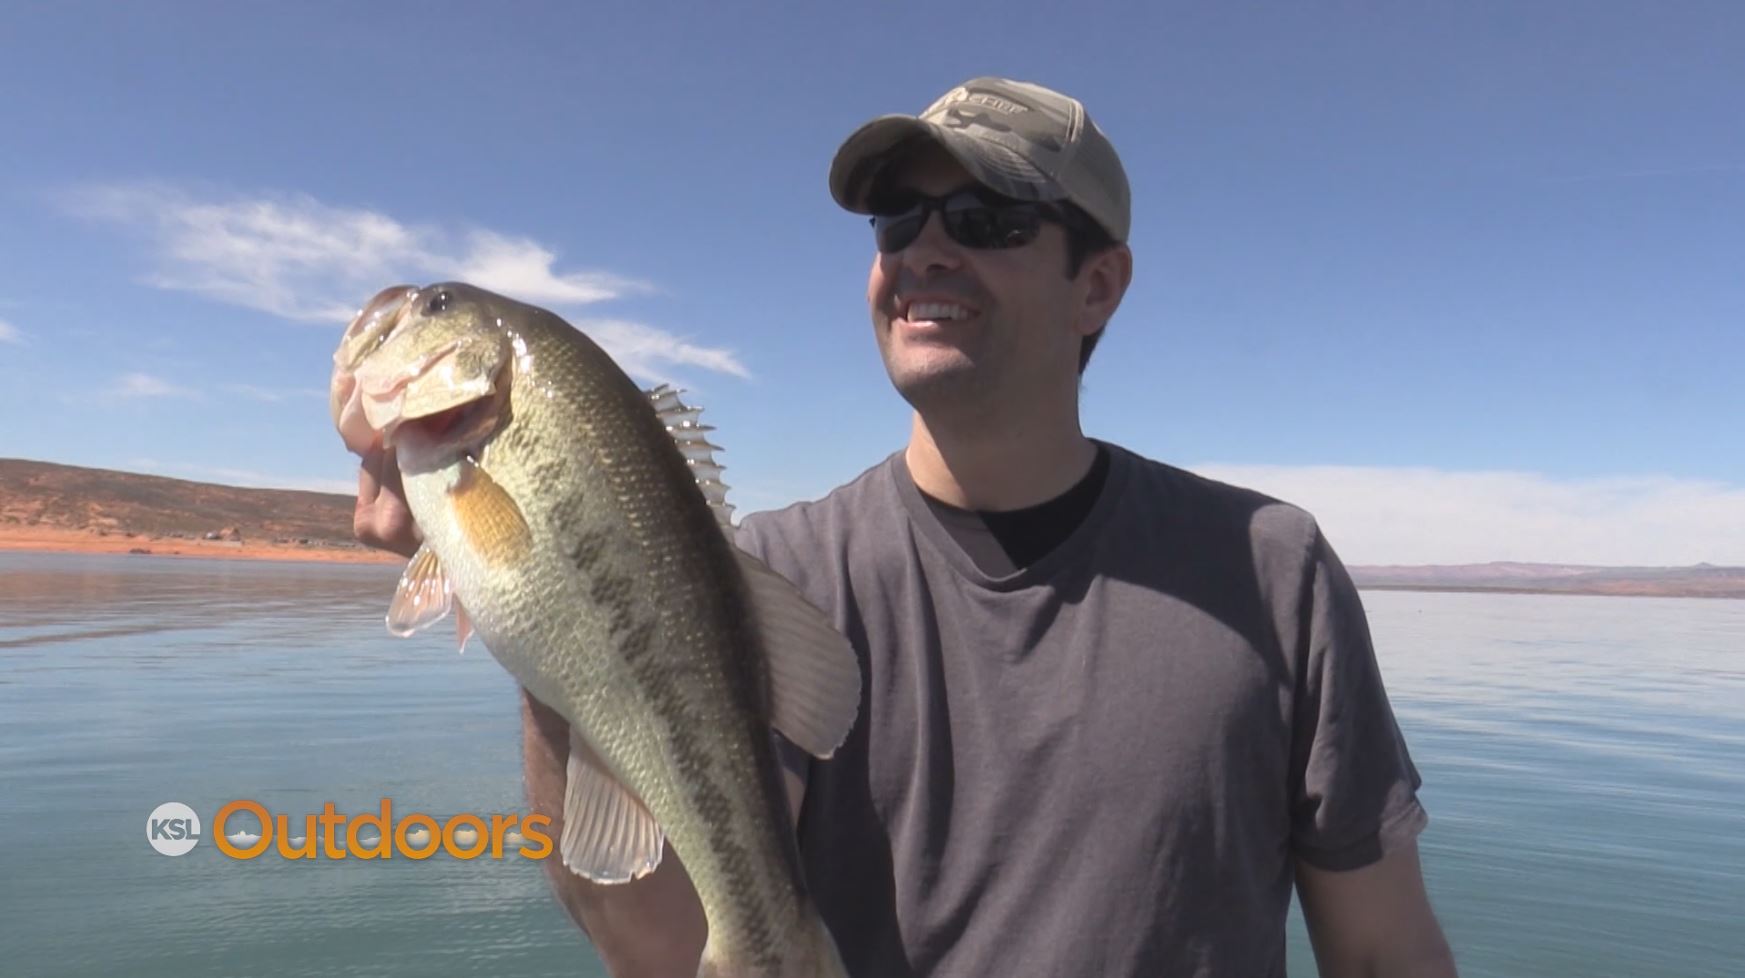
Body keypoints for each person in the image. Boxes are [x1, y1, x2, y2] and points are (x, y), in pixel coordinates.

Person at [354, 76, 1458, 977]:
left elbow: (1378, 953)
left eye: (984, 220)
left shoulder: (1271, 568)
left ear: (1098, 287)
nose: (924, 250)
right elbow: (658, 947)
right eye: (899, 219)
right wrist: (548, 608)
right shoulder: (775, 574)